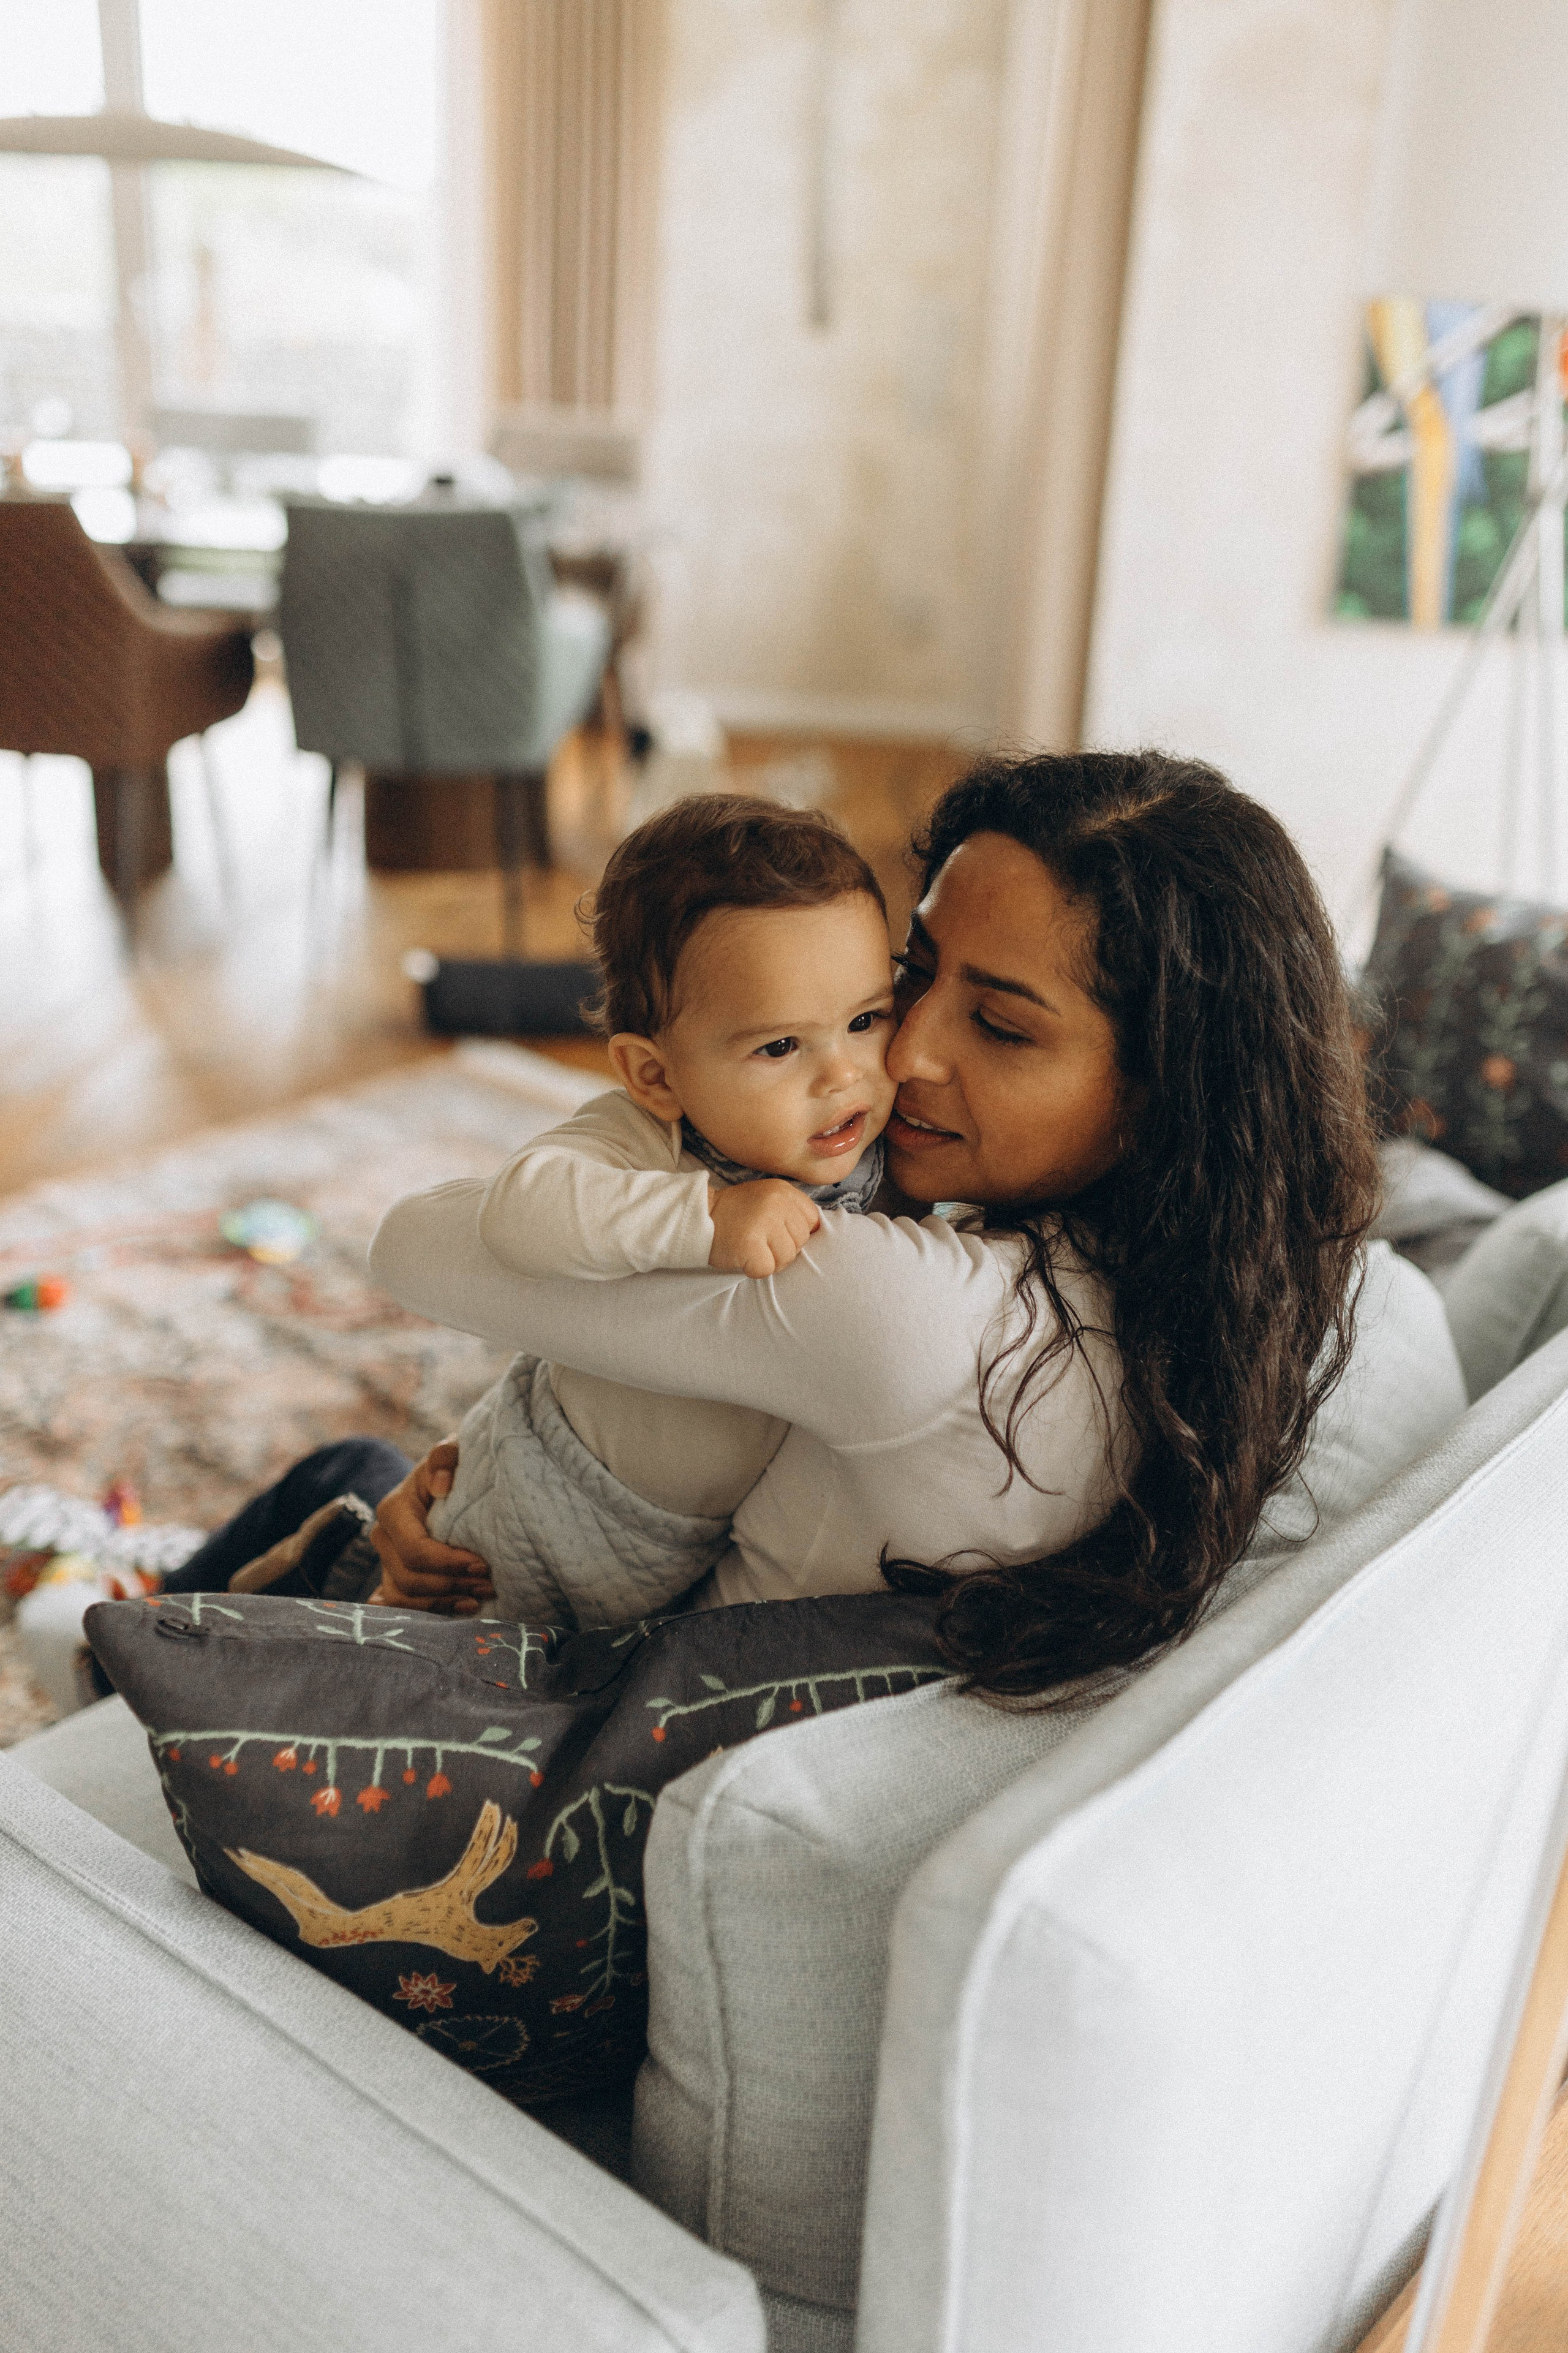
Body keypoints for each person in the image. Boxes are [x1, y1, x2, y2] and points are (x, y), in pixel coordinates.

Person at [367, 751, 1463, 1698]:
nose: (900, 1056)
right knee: (357, 1482)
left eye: (997, 1025)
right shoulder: (1249, 1287)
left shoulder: (902, 1305)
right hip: (567, 1513)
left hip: (565, 1639)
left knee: (339, 1499)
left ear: (1166, 1088)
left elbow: (414, 1244)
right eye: (911, 976)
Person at [386, 793, 898, 1626]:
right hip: (535, 1497)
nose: (844, 1075)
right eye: (779, 1045)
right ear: (656, 1076)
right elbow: (524, 1212)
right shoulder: (648, 1136)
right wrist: (709, 1218)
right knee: (409, 1649)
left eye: (867, 1019)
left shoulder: (888, 1156)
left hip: (680, 1550)